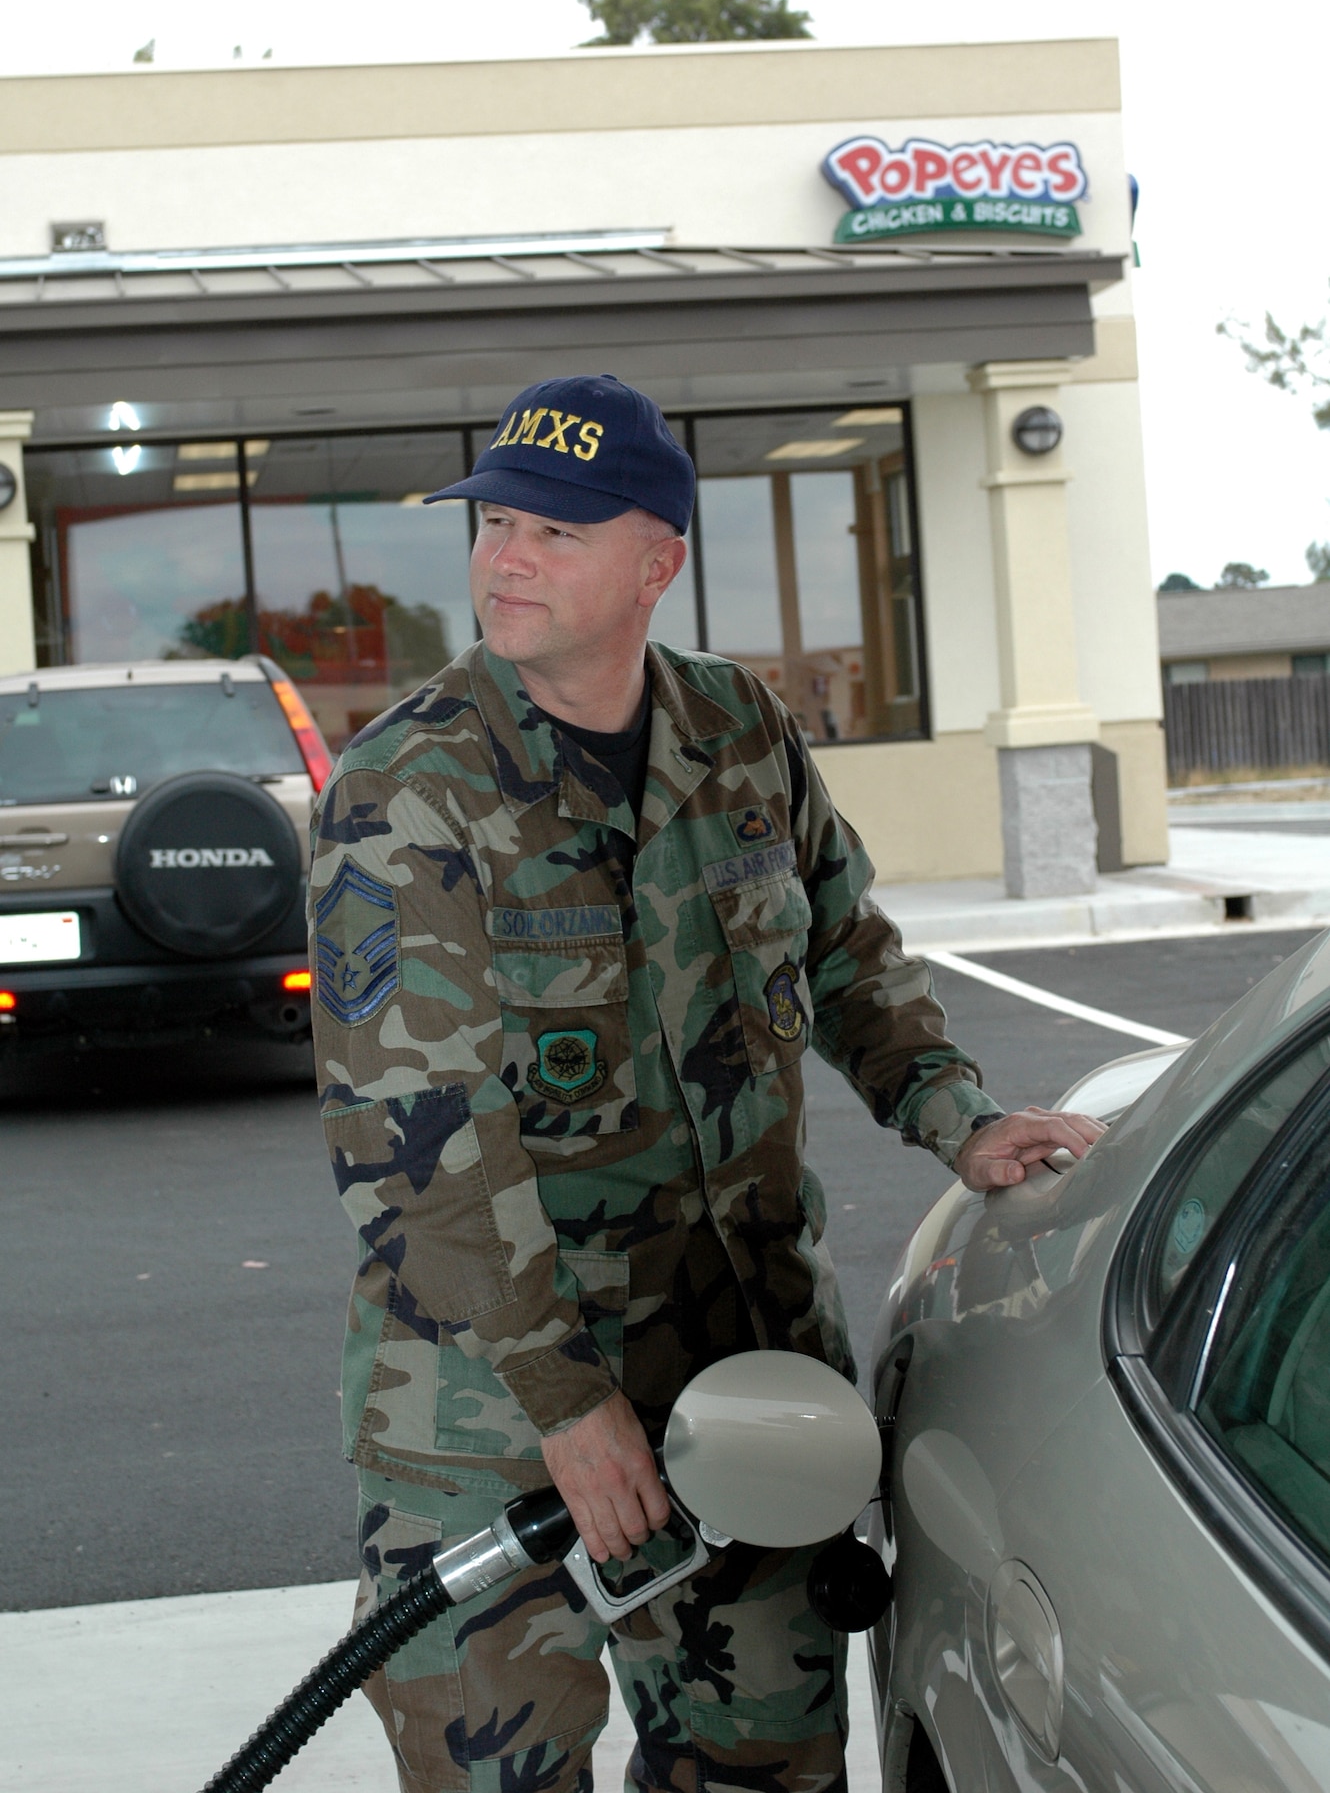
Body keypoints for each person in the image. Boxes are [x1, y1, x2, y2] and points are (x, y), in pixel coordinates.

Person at [307, 373, 1101, 1793]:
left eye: (552, 530)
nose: (504, 557)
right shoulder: (406, 786)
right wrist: (562, 1396)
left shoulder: (737, 736)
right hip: (491, 1421)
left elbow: (848, 953)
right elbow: (413, 1140)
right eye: (492, 523)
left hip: (742, 1381)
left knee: (770, 1761)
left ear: (656, 561)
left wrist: (955, 1117)